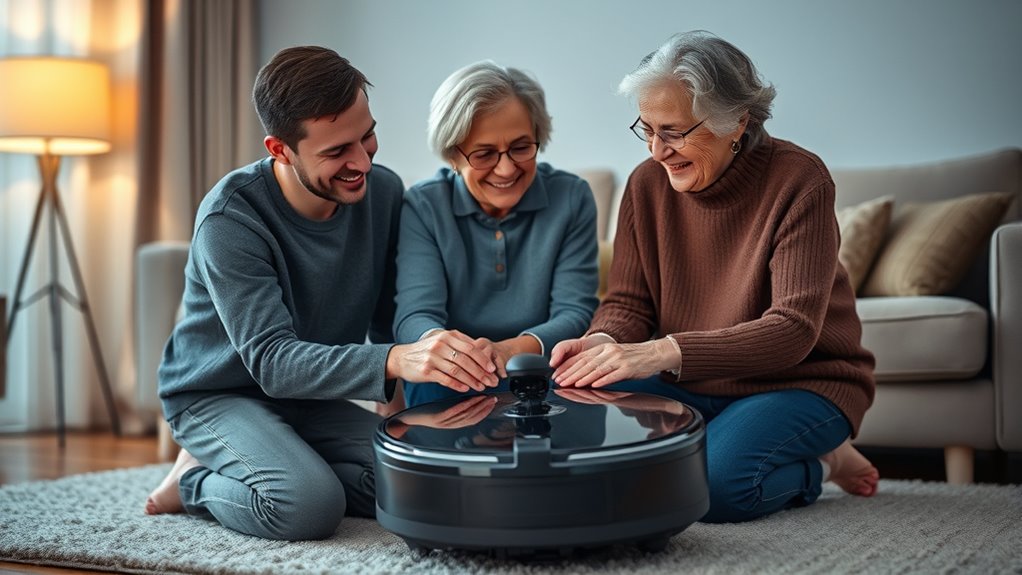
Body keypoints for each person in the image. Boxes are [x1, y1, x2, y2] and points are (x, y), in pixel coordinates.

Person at [143, 46, 500, 541]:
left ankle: (282, 460)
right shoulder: (231, 219)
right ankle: (193, 482)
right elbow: (272, 362)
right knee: (309, 506)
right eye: (336, 152)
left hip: (310, 397)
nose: (362, 162)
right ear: (280, 150)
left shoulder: (383, 193)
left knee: (425, 479)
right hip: (219, 394)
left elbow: (387, 314)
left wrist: (396, 411)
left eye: (367, 136)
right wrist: (397, 360)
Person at [550, 31, 880, 523]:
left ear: (737, 122)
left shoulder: (800, 180)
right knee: (574, 441)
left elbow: (792, 330)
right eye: (647, 129)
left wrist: (661, 352)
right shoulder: (646, 184)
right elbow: (629, 302)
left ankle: (826, 463)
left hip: (797, 383)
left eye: (674, 132)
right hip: (686, 381)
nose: (657, 151)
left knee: (713, 489)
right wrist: (602, 341)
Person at [392, 61, 599, 408]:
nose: (505, 169)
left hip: (545, 368)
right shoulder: (424, 205)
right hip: (455, 374)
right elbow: (414, 317)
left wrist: (509, 351)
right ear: (452, 155)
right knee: (430, 387)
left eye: (521, 147)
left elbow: (576, 312)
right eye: (484, 154)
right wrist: (454, 354)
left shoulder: (571, 197)